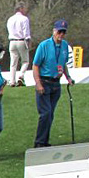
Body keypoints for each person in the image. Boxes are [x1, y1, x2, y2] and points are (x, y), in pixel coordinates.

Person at [32, 19, 74, 148]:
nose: (61, 35)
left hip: (56, 84)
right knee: (45, 113)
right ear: (54, 31)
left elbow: (63, 64)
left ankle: (44, 141)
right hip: (44, 82)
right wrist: (38, 83)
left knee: (50, 114)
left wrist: (68, 77)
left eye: (63, 32)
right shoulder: (44, 45)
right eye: (59, 32)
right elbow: (35, 65)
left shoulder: (64, 45)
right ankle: (39, 142)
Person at [7, 4, 31, 86]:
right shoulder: (24, 19)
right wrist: (28, 41)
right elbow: (26, 32)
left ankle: (12, 81)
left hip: (12, 41)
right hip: (21, 40)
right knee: (25, 61)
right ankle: (21, 76)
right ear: (21, 9)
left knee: (13, 63)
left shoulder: (10, 19)